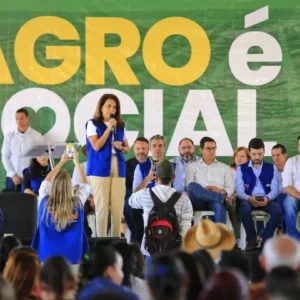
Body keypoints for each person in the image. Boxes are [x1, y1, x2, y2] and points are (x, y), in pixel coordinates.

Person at [31, 150, 91, 264]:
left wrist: (61, 162)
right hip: (73, 261)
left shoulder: (44, 203)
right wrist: (76, 162)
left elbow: (45, 183)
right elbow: (86, 186)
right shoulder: (77, 204)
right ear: (69, 187)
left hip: (46, 260)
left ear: (53, 186)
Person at [86, 93, 129, 237]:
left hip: (118, 164)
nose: (112, 110)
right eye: (109, 106)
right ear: (101, 107)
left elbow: (127, 148)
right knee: (102, 208)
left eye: (115, 107)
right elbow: (96, 146)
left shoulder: (121, 125)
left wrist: (121, 147)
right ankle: (101, 242)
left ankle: (116, 240)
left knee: (117, 208)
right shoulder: (92, 124)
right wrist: (108, 128)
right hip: (99, 167)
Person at [129, 159, 193, 257]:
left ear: (156, 177)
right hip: (174, 254)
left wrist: (147, 179)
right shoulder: (184, 200)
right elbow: (185, 231)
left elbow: (131, 201)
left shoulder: (145, 194)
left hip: (150, 251)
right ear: (173, 176)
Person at [236, 138, 282, 249]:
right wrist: (249, 198)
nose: (257, 157)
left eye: (259, 154)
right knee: (243, 209)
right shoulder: (241, 168)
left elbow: (276, 189)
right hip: (248, 199)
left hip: (267, 199)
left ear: (264, 152)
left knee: (277, 211)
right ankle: (251, 240)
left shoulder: (272, 168)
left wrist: (267, 198)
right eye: (254, 154)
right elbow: (239, 191)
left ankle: (266, 240)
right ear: (249, 153)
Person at [186, 136, 234, 224]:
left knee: (220, 206)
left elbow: (230, 188)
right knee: (191, 185)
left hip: (216, 201)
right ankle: (221, 198)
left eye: (213, 148)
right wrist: (204, 192)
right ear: (201, 150)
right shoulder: (192, 167)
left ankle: (220, 236)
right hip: (199, 201)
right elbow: (189, 187)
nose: (211, 151)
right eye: (208, 148)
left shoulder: (225, 168)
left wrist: (220, 191)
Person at [1, 108, 43, 191]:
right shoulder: (9, 136)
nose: (19, 121)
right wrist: (13, 174)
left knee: (29, 202)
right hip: (12, 177)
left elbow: (40, 157)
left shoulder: (37, 136)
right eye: (17, 118)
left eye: (22, 118)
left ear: (28, 118)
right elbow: (5, 156)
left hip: (31, 177)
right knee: (10, 202)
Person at [124, 137, 149, 242]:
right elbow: (124, 186)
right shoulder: (126, 165)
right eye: (138, 148)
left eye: (143, 148)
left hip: (150, 197)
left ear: (148, 149)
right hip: (131, 197)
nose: (141, 151)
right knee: (128, 205)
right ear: (134, 149)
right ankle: (136, 238)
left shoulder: (153, 164)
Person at [228, 146, 250, 240]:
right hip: (230, 196)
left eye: (242, 156)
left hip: (245, 197)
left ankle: (238, 236)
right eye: (237, 155)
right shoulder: (228, 170)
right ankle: (237, 236)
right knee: (232, 203)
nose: (239, 158)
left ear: (248, 159)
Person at [282, 136, 300, 240]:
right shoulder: (291, 162)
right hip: (295, 198)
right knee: (288, 202)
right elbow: (287, 186)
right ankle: (294, 237)